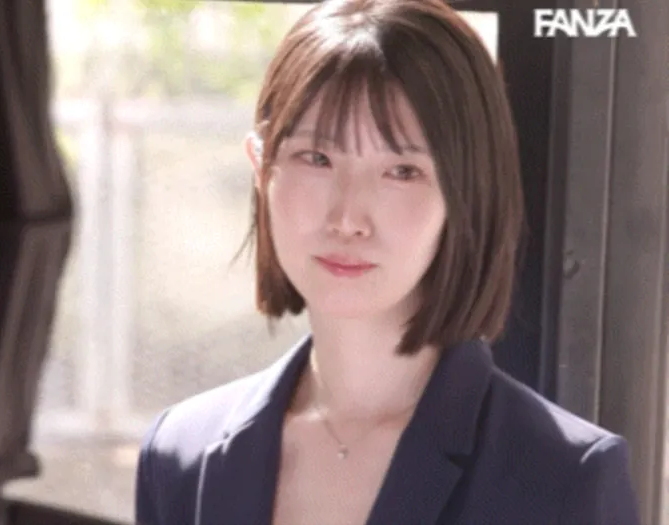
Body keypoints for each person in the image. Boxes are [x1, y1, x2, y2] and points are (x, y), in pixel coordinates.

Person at [133, 0, 642, 524]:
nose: (348, 218)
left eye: (401, 171)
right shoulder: (180, 457)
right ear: (261, 170)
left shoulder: (561, 478)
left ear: (466, 192)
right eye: (317, 158)